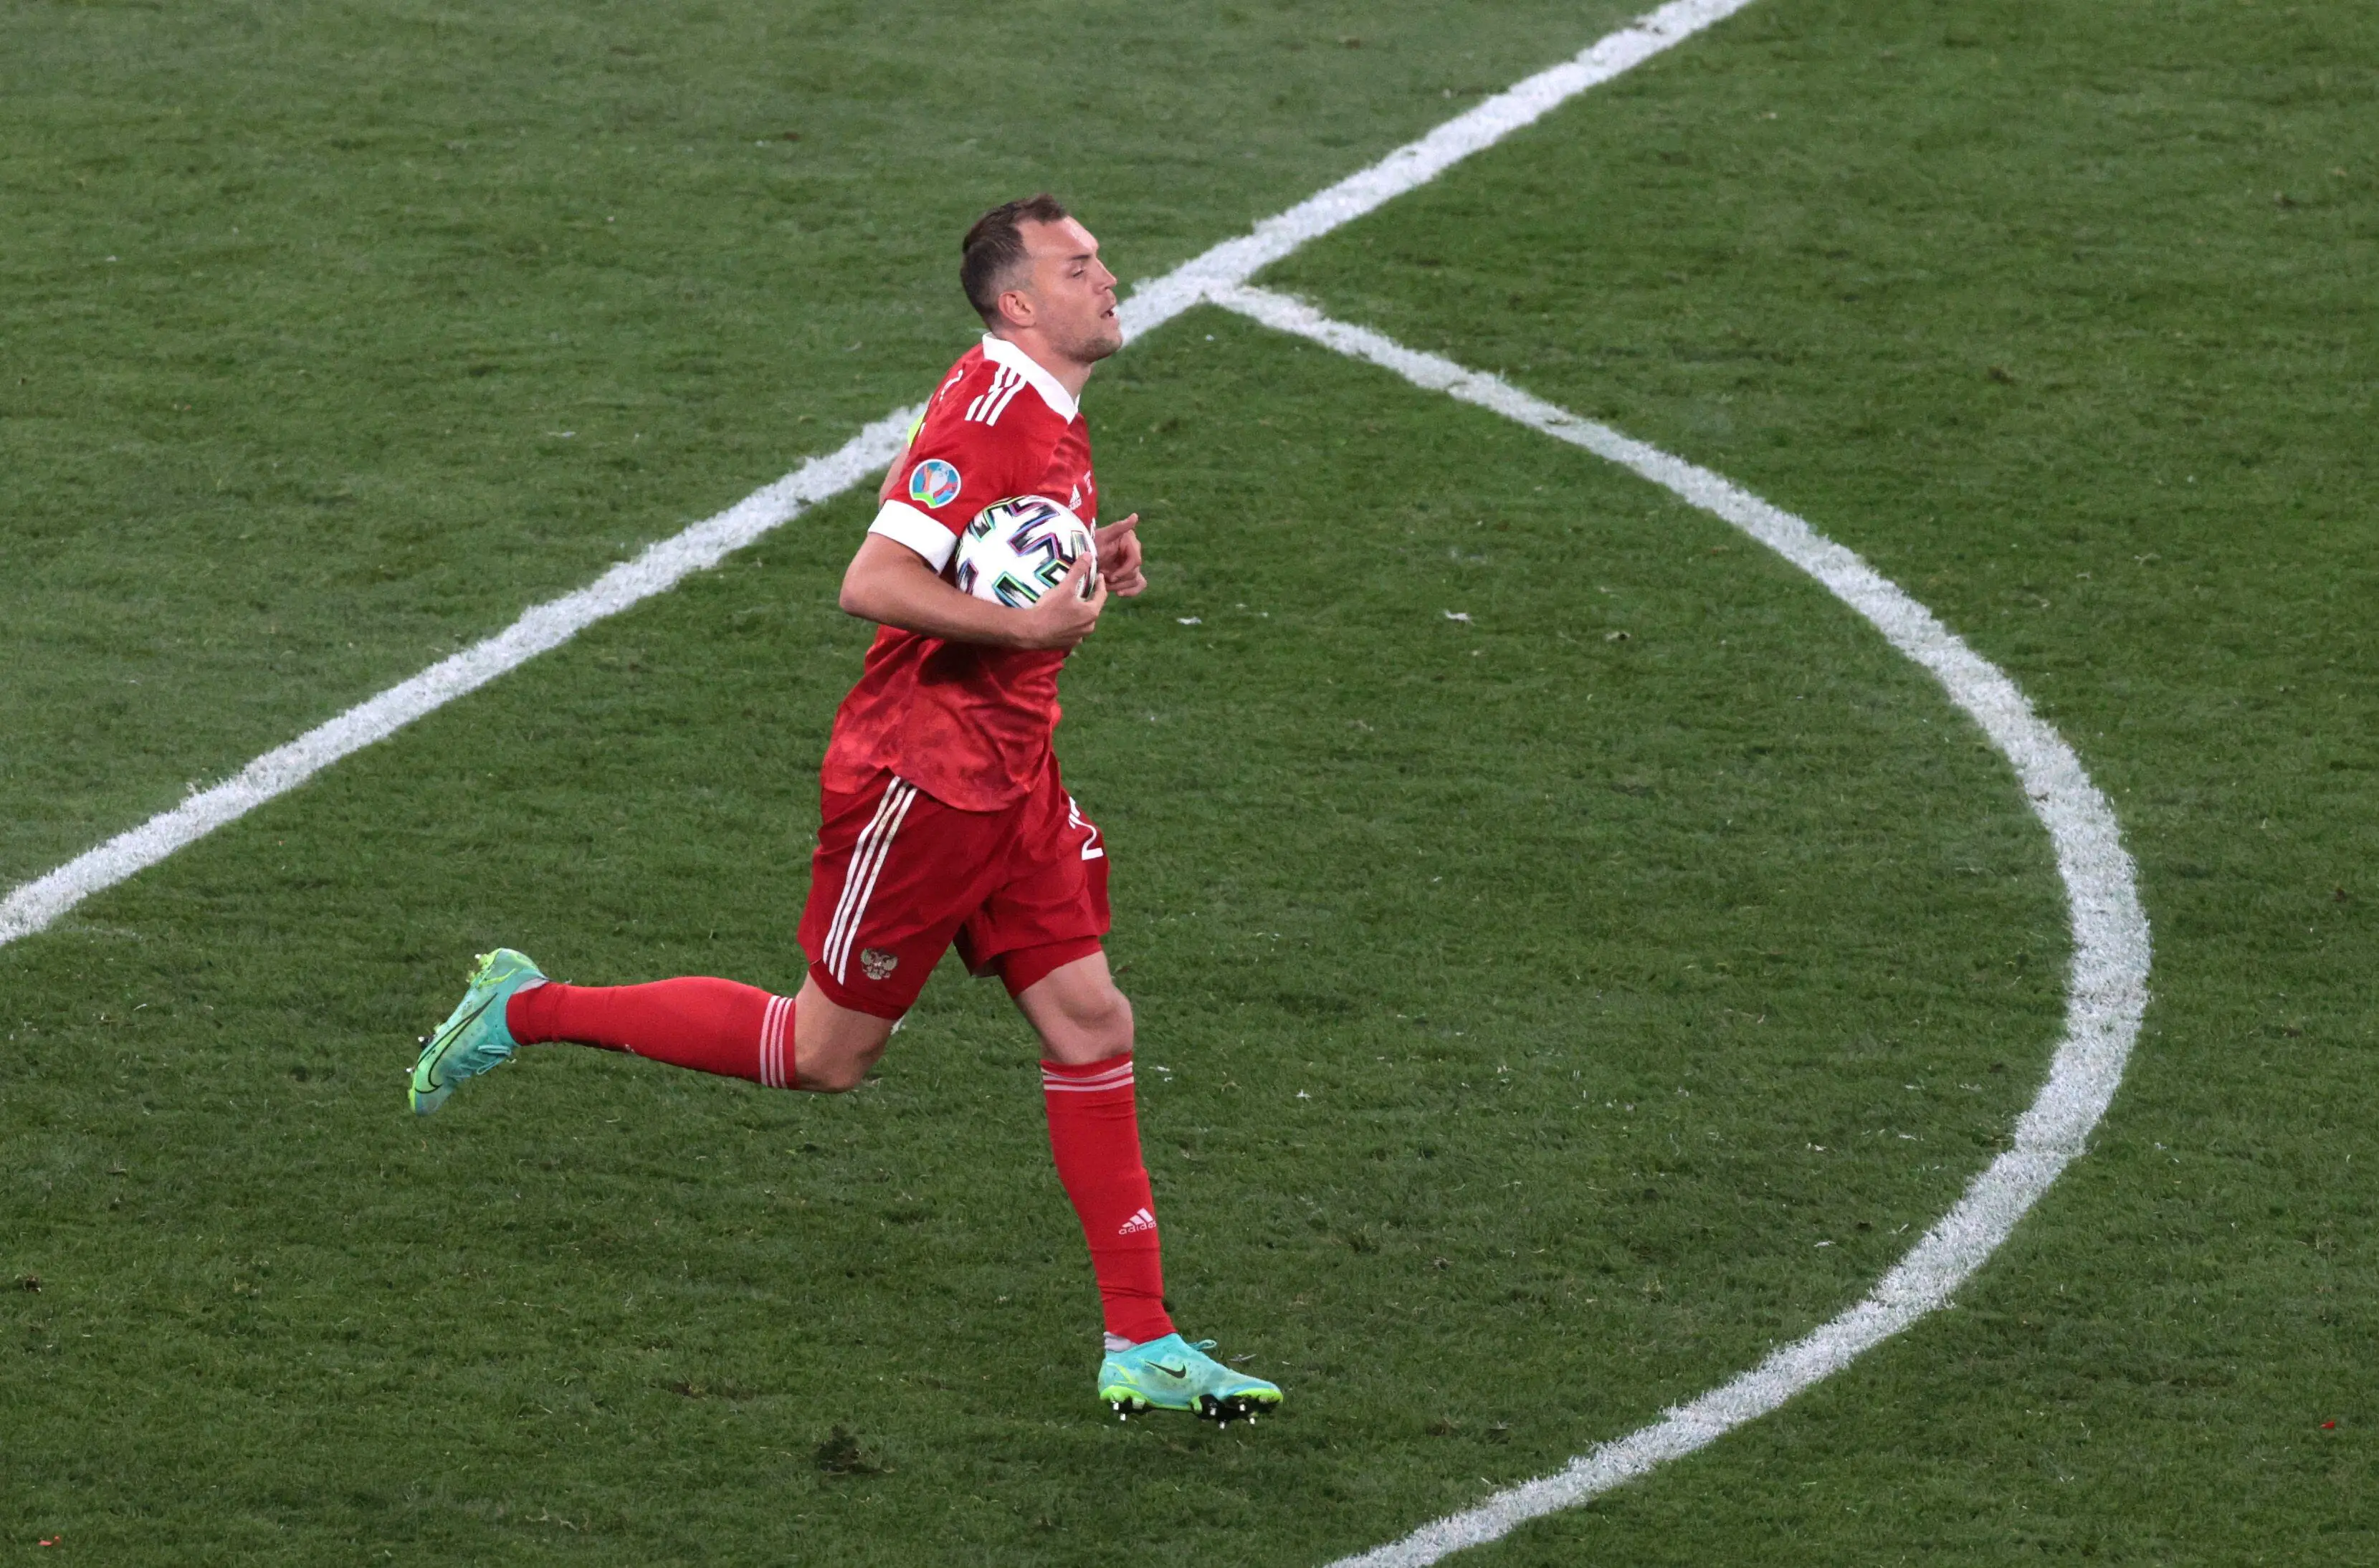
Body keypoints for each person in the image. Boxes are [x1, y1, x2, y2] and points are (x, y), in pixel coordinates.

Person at [406, 194, 1280, 1425]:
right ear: (1017, 302)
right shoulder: (985, 414)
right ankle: (526, 1006)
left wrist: (1087, 557)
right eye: (1079, 267)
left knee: (1091, 1022)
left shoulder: (1042, 405)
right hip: (923, 781)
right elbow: (871, 579)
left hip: (1014, 775)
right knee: (827, 1055)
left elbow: (991, 540)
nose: (1108, 278)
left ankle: (1141, 1340)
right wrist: (1030, 622)